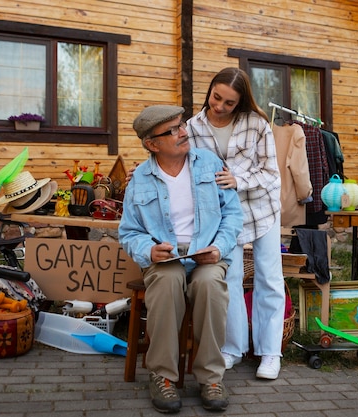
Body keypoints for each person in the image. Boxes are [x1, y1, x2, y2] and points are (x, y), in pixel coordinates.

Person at [119, 105, 243, 413]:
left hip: (207, 253)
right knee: (167, 279)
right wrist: (149, 250)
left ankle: (211, 378)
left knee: (211, 285)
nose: (183, 132)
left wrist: (220, 247)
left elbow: (232, 214)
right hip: (166, 259)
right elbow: (129, 232)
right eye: (172, 130)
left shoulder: (209, 164)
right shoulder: (141, 180)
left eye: (181, 125)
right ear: (152, 144)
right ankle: (163, 376)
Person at [186, 67, 285, 380]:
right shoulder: (193, 126)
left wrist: (238, 179)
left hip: (262, 209)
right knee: (229, 281)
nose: (220, 106)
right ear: (210, 90)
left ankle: (270, 353)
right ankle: (233, 348)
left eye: (229, 103)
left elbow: (271, 173)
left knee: (269, 278)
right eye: (217, 98)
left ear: (240, 103)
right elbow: (181, 164)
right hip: (224, 216)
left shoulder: (257, 124)